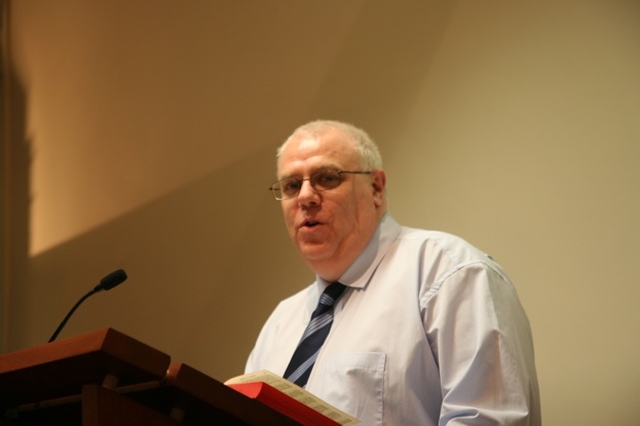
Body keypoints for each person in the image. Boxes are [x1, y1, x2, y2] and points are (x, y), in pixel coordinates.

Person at [245, 120, 541, 425]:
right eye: (292, 185)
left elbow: (489, 419)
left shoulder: (452, 275)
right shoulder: (280, 324)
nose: (306, 197)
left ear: (376, 187)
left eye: (327, 178)